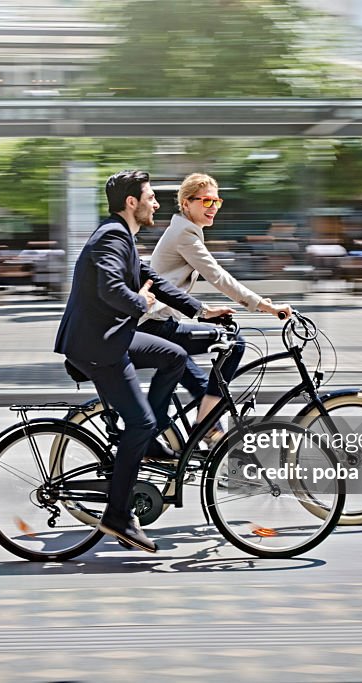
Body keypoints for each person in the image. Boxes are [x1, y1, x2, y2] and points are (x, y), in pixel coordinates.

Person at [54, 170, 233, 553]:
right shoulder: (111, 237)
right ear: (131, 203)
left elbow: (158, 281)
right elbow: (112, 288)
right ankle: (118, 514)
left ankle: (150, 440)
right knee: (140, 422)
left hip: (111, 338)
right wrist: (142, 303)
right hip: (97, 347)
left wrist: (200, 310)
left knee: (174, 355)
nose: (156, 203)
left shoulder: (125, 239)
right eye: (151, 197)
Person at [141, 173, 292, 439]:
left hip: (161, 323)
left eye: (217, 202)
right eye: (206, 201)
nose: (213, 208)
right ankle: (199, 431)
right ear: (186, 204)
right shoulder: (184, 234)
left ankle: (209, 446)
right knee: (234, 343)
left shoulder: (184, 231)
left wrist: (206, 310)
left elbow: (175, 286)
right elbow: (217, 275)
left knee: (204, 387)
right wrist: (264, 306)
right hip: (155, 327)